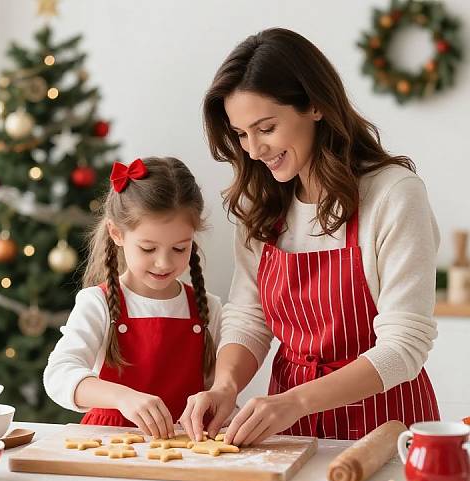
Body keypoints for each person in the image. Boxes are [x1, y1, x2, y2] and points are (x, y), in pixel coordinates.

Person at [179, 28, 440, 446]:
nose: (254, 150)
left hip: (383, 427)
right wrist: (225, 386)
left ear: (315, 105)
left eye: (266, 128)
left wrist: (296, 402)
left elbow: (404, 346)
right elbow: (250, 318)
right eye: (242, 134)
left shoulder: (392, 195)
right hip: (290, 429)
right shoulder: (261, 205)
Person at [44, 157, 222, 440]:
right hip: (109, 443)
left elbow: (217, 388)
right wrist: (122, 397)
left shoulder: (208, 307)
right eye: (148, 248)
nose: (164, 263)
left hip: (186, 447)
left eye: (179, 248)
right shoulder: (96, 303)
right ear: (117, 234)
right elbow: (59, 376)